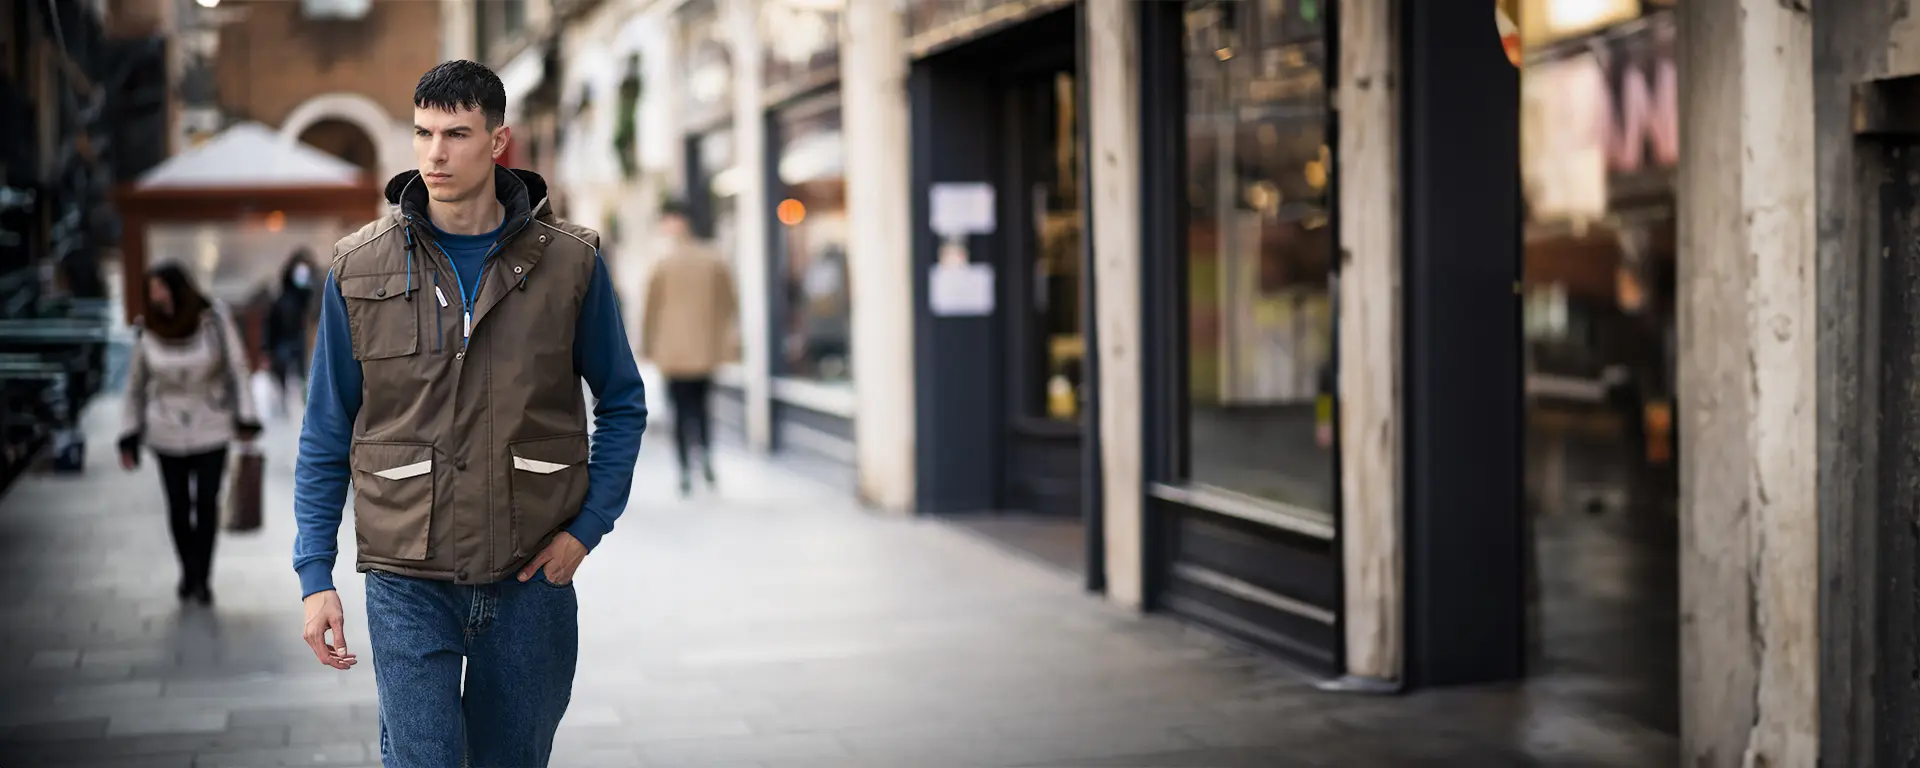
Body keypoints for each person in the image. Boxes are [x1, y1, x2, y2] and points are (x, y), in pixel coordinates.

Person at [291, 60, 648, 768]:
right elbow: (326, 430)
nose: (434, 153)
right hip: (406, 580)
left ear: (497, 141)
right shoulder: (357, 270)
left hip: (530, 580)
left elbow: (623, 402)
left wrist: (586, 530)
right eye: (423, 133)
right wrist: (314, 575)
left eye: (455, 134)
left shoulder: (570, 264)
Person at [117, 262, 261, 605]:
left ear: (177, 287)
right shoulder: (147, 329)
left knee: (207, 503)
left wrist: (246, 418)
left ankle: (203, 577)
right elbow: (135, 385)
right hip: (165, 428)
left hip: (211, 423)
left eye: (161, 288)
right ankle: (188, 570)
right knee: (178, 505)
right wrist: (128, 434)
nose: (156, 297)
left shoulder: (212, 318)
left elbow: (236, 367)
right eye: (151, 290)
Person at [640, 199, 737, 495]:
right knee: (703, 407)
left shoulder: (662, 262)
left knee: (680, 411)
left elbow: (650, 310)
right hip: (705, 350)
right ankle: (705, 456)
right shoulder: (714, 259)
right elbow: (729, 304)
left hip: (673, 353)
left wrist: (647, 345)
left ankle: (684, 468)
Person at [262, 249, 318, 407]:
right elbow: (271, 326)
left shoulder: (315, 298)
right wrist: (267, 350)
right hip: (287, 351)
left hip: (304, 354)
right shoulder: (283, 301)